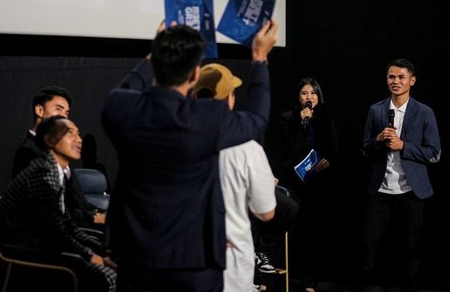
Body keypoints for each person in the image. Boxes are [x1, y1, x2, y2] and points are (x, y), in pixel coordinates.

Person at [101, 20, 278, 291]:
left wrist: (154, 55)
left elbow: (127, 89)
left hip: (136, 260)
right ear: (195, 75)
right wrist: (259, 58)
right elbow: (257, 119)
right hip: (195, 265)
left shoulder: (119, 107)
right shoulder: (207, 120)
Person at [0, 115, 117, 292]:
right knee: (111, 277)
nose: (79, 139)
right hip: (28, 251)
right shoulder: (42, 174)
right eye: (70, 133)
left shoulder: (56, 172)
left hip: (49, 245)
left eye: (78, 133)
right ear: (50, 140)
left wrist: (102, 249)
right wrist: (92, 256)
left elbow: (68, 225)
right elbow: (56, 233)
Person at [192, 63, 277, 292]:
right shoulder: (248, 148)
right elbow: (266, 211)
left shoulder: (175, 144)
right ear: (230, 99)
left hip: (187, 264)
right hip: (232, 268)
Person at [359, 58, 441, 292]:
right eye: (391, 77)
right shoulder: (376, 110)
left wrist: (403, 145)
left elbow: (435, 154)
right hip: (381, 190)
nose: (395, 81)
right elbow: (364, 149)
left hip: (412, 192)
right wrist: (377, 140)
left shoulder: (425, 112)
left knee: (411, 250)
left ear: (411, 81)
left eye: (401, 77)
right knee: (369, 247)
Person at [12, 85, 106, 229]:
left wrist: (101, 213)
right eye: (58, 109)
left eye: (66, 112)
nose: (63, 116)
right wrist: (95, 218)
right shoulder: (29, 153)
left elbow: (77, 201)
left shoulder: (57, 151)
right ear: (39, 110)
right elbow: (49, 210)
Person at [279, 77, 339, 292]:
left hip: (318, 183)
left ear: (318, 97)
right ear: (298, 97)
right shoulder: (288, 118)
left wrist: (328, 159)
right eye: (304, 93)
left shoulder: (325, 118)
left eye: (313, 93)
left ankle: (309, 282)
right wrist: (302, 124)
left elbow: (333, 147)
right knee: (295, 230)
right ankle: (285, 277)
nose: (309, 97)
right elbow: (289, 150)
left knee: (314, 233)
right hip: (294, 181)